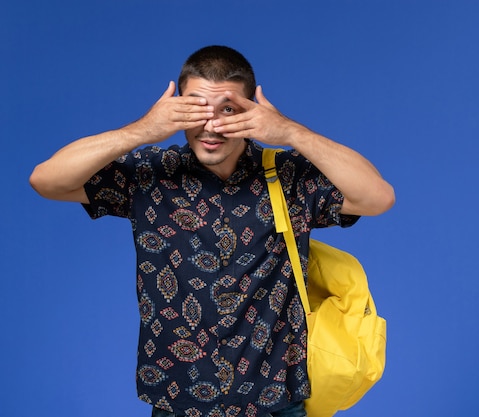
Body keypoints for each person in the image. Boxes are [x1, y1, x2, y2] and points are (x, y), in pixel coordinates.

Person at [30, 45, 395, 417]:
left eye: (228, 109)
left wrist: (289, 131)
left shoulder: (287, 176)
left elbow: (377, 197)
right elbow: (46, 181)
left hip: (274, 403)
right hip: (177, 403)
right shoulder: (150, 173)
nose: (211, 126)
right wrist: (142, 130)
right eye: (195, 108)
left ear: (252, 110)